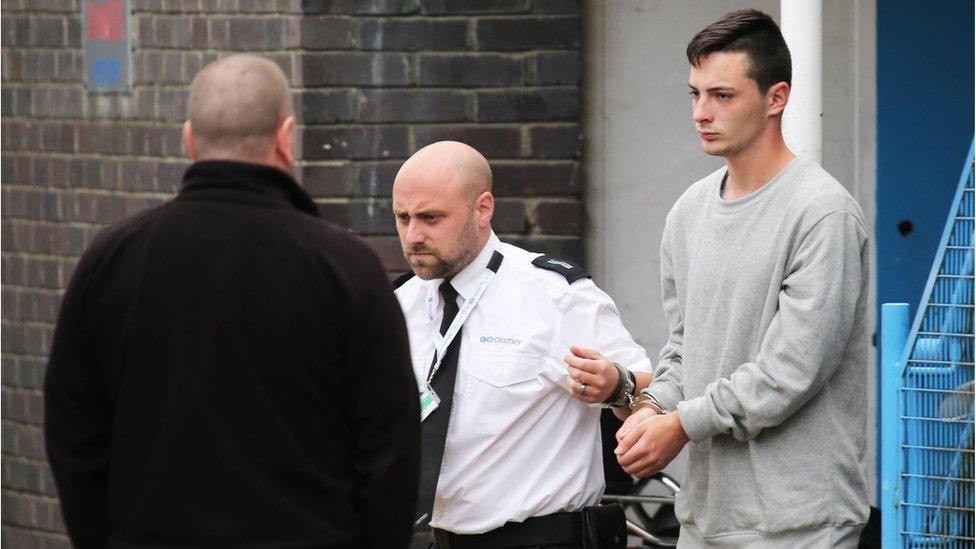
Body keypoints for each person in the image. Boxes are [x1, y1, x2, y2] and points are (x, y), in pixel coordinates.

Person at [44, 54, 420, 549]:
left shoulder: (111, 260)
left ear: (189, 139)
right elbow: (390, 449)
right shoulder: (346, 269)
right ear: (287, 138)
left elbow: (75, 434)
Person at [607, 9, 870, 547]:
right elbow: (685, 350)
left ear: (776, 98)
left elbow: (788, 374)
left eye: (722, 96)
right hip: (704, 519)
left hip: (802, 524)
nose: (702, 112)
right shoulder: (688, 211)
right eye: (695, 94)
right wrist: (651, 408)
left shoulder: (822, 213)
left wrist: (679, 425)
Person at [392, 140, 652, 548]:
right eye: (402, 217)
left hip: (542, 537)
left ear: (483, 209)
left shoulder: (555, 294)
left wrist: (618, 385)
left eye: (431, 217)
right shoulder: (398, 306)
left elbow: (652, 392)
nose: (413, 235)